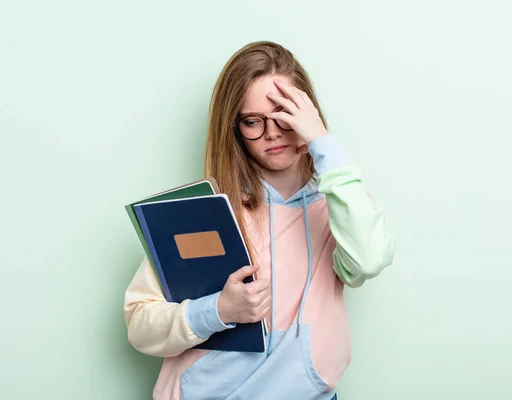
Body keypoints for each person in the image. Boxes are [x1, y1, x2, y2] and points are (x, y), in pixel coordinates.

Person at [124, 40, 395, 400]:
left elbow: (370, 260)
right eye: (253, 121)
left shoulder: (340, 205)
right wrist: (217, 310)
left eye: (283, 116)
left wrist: (323, 143)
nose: (271, 133)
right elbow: (141, 326)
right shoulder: (202, 212)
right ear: (234, 127)